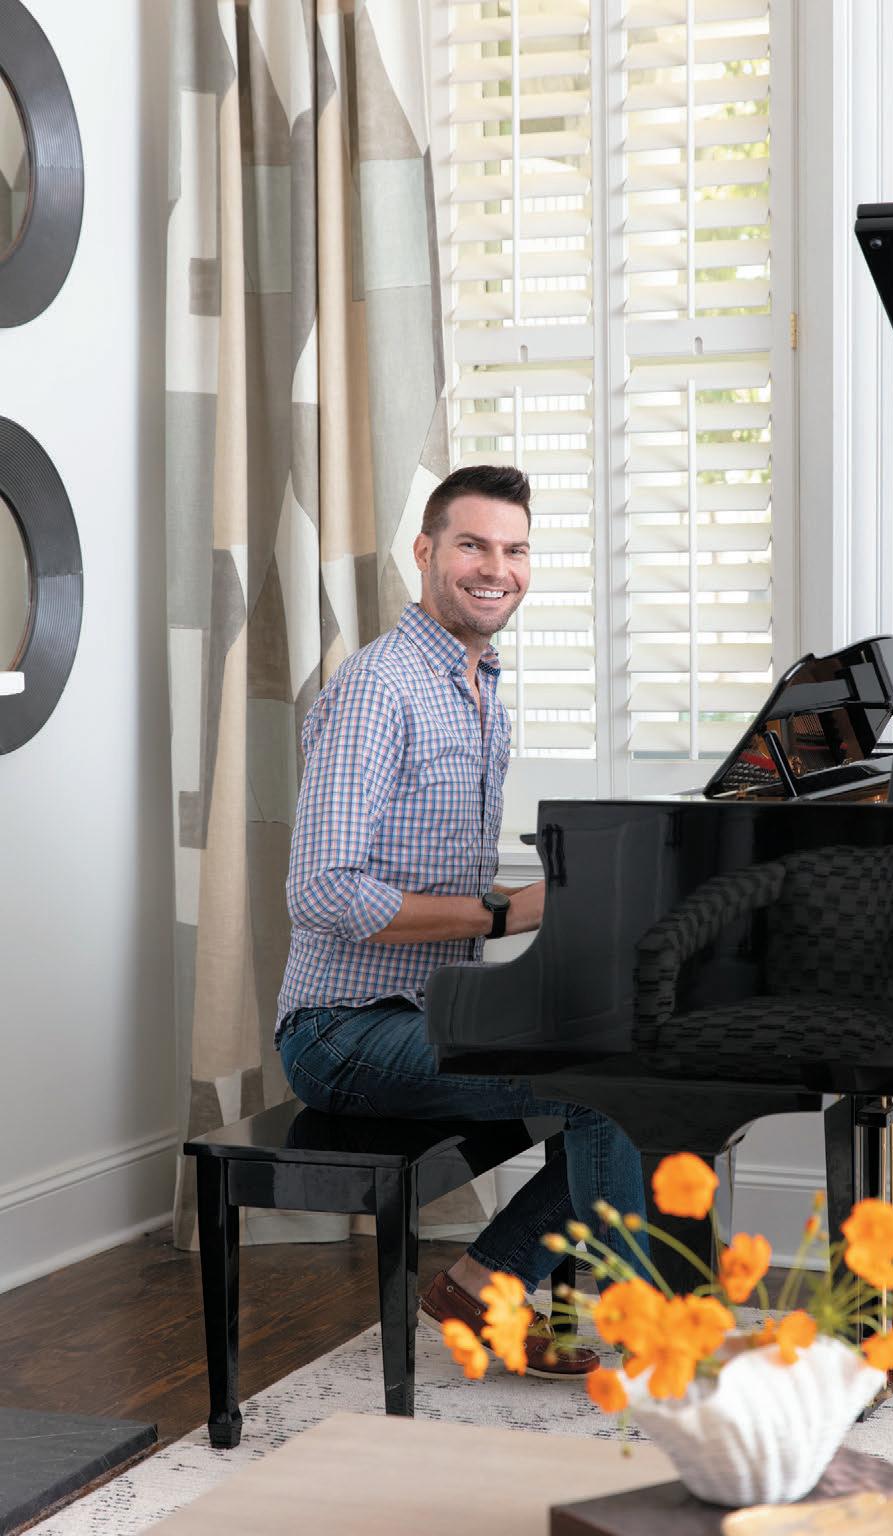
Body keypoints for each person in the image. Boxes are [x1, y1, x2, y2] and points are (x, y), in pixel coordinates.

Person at [275, 464, 648, 1380]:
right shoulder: (379, 688)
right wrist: (512, 911)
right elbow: (321, 891)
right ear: (425, 551)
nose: (496, 568)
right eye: (473, 545)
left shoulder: (481, 692)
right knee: (605, 1084)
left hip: (433, 1008)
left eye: (514, 549)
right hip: (340, 1031)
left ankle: (486, 1284)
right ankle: (660, 1333)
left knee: (642, 1067)